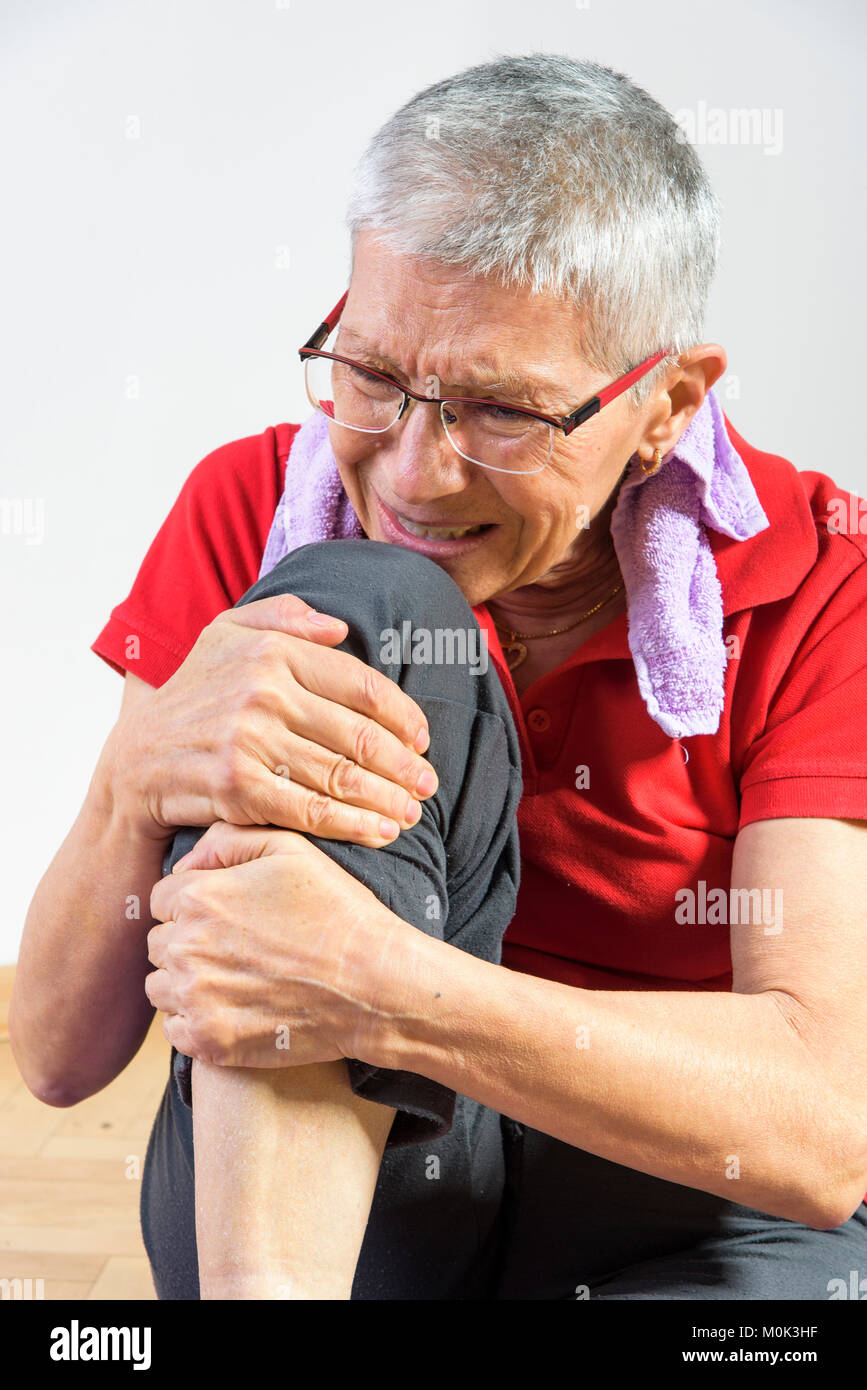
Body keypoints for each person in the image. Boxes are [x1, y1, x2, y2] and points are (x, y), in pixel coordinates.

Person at [11, 54, 867, 1301]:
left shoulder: (825, 579)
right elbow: (56, 1056)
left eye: (501, 412)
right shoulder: (251, 509)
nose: (413, 474)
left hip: (686, 1190)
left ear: (668, 404)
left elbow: (822, 1129)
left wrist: (379, 987)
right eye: (371, 376)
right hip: (357, 1195)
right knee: (363, 599)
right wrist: (134, 784)